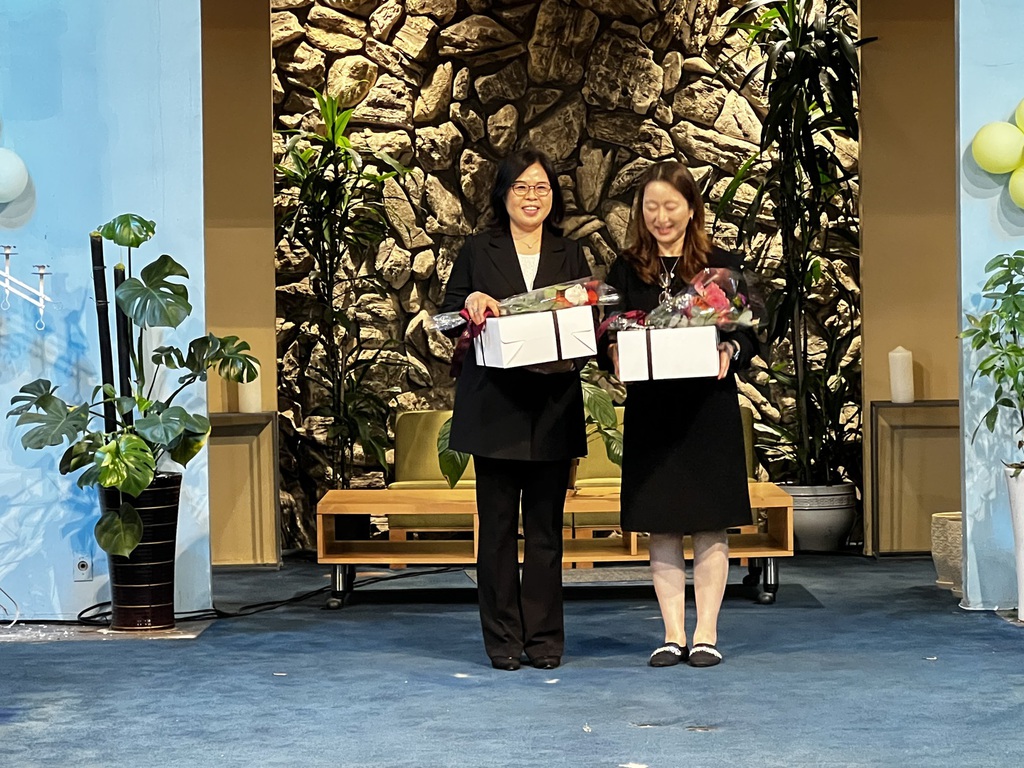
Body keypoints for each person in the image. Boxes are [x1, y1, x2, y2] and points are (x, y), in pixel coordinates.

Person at [600, 161, 755, 668]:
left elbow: (748, 331)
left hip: (707, 411)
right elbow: (606, 328)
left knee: (710, 523)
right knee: (661, 524)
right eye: (651, 207)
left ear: (691, 209)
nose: (661, 217)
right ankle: (671, 634)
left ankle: (706, 633)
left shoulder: (719, 265)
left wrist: (731, 348)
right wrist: (613, 351)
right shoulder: (626, 268)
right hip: (652, 413)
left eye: (671, 206)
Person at [439, 149, 590, 671]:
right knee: (498, 531)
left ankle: (545, 640)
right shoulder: (477, 250)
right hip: (494, 409)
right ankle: (502, 639)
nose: (532, 196)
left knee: (546, 533)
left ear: (554, 196)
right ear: (503, 194)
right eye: (521, 187)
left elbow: (588, 324)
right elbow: (445, 320)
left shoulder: (571, 253)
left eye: (541, 187)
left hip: (553, 407)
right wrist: (469, 308)